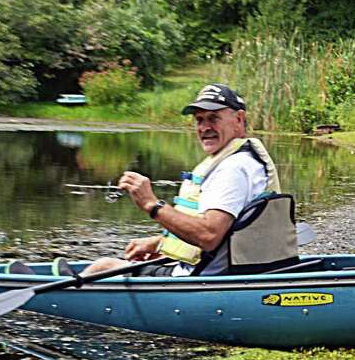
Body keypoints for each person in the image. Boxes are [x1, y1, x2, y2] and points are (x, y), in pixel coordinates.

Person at [81, 83, 282, 277]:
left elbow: (209, 236)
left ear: (239, 119)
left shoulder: (232, 169)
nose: (204, 127)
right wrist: (160, 244)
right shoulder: (247, 161)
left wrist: (152, 204)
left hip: (203, 278)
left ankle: (63, 298)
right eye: (199, 120)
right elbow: (229, 233)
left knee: (103, 266)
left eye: (213, 118)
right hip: (238, 269)